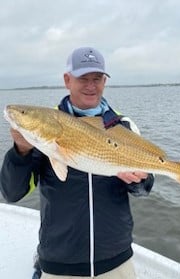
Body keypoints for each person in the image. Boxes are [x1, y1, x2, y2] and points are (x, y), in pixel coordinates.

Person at [0, 47, 154, 279]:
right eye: (83, 78)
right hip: (60, 263)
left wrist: (139, 181)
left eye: (97, 79)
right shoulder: (45, 130)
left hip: (116, 260)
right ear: (67, 80)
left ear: (105, 81)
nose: (91, 86)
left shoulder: (125, 127)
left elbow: (144, 190)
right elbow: (11, 193)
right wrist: (21, 150)